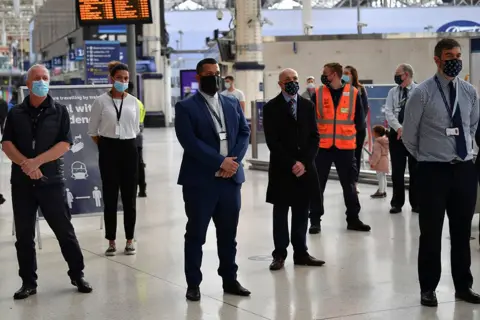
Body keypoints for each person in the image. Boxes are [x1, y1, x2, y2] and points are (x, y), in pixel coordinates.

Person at [1, 64, 92, 300]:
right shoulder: (15, 113)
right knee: (24, 235)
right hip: (22, 183)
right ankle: (28, 282)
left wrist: (36, 163)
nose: (42, 81)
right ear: (28, 84)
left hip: (51, 180)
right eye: (37, 78)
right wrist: (26, 165)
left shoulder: (59, 111)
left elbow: (64, 144)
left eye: (45, 78)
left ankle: (77, 273)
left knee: (64, 230)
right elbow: (7, 144)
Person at [403, 38, 480, 307]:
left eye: (458, 55)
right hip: (432, 172)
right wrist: (431, 158)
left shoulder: (470, 92)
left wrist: (465, 154)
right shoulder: (421, 93)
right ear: (437, 59)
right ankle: (428, 288)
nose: (455, 60)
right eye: (449, 55)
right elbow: (409, 138)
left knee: (461, 232)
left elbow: (471, 127)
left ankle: (463, 286)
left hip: (464, 171)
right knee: (431, 232)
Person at [175, 58, 251, 302]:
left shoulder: (230, 102)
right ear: (199, 77)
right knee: (196, 234)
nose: (214, 77)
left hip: (230, 181)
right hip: (201, 182)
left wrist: (233, 162)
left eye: (216, 73)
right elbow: (190, 142)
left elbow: (243, 132)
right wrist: (220, 161)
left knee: (228, 234)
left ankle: (230, 280)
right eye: (208, 74)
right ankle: (193, 284)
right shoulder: (186, 107)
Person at [263, 68, 325, 271]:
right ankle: (279, 254)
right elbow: (273, 141)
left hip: (304, 169)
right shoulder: (272, 107)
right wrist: (292, 163)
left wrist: (304, 163)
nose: (292, 82)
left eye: (295, 79)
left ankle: (301, 253)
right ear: (280, 84)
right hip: (283, 168)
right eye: (288, 80)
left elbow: (315, 137)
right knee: (280, 212)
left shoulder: (307, 105)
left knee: (301, 211)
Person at [309, 63, 370, 234]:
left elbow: (360, 122)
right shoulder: (319, 93)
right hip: (323, 147)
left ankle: (353, 219)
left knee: (349, 185)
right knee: (318, 185)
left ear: (334, 74)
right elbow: (311, 121)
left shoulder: (353, 93)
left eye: (326, 74)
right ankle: (315, 220)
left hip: (345, 147)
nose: (323, 76)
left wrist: (356, 147)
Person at [88, 61, 140, 257]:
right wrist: (106, 145)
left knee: (129, 197)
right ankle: (111, 241)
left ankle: (129, 239)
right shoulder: (100, 101)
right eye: (119, 78)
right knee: (110, 196)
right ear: (112, 79)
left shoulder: (133, 101)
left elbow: (135, 128)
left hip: (129, 147)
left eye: (126, 79)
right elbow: (93, 130)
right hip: (108, 147)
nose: (123, 81)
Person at [384, 63, 419, 214]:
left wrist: (408, 130)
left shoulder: (419, 91)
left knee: (415, 171)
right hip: (396, 135)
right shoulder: (393, 92)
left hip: (414, 136)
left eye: (398, 73)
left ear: (407, 74)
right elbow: (388, 111)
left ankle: (416, 203)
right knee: (397, 171)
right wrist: (398, 127)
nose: (396, 76)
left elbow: (421, 113)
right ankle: (397, 203)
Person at [343, 66, 369, 193]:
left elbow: (364, 108)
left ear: (353, 74)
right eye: (343, 73)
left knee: (356, 156)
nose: (344, 75)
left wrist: (357, 122)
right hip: (344, 129)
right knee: (346, 157)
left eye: (347, 73)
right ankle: (346, 182)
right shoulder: (340, 88)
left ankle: (355, 182)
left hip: (358, 129)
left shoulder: (360, 89)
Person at [127, 81, 147, 197]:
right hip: (138, 137)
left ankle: (132, 188)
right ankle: (143, 189)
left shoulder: (127, 103)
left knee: (130, 165)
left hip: (129, 137)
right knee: (139, 163)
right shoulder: (139, 102)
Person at [369, 125, 389, 199]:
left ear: (377, 133)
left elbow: (376, 155)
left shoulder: (377, 143)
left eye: (373, 132)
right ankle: (384, 191)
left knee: (380, 177)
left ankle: (380, 191)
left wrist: (373, 163)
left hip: (380, 162)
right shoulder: (385, 141)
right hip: (385, 160)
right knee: (383, 177)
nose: (372, 133)